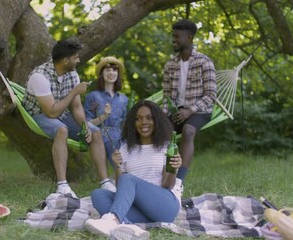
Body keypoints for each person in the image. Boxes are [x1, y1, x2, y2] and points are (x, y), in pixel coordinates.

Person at [22, 38, 116, 199]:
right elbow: (51, 112)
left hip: (62, 114)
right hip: (39, 114)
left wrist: (85, 126)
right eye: (75, 57)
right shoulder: (40, 77)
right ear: (65, 60)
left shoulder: (72, 74)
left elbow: (77, 108)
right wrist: (74, 92)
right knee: (61, 130)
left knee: (95, 132)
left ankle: (105, 182)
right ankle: (62, 185)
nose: (78, 60)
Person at [84, 100, 182, 239]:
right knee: (98, 195)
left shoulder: (167, 147)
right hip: (140, 210)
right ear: (132, 123)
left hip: (165, 206)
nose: (143, 122)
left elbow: (167, 185)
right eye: (138, 119)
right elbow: (121, 188)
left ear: (157, 121)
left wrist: (173, 170)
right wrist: (117, 166)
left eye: (149, 118)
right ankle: (130, 228)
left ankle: (113, 220)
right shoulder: (125, 149)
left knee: (127, 178)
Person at [162, 19, 216, 186]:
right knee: (160, 132)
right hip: (177, 111)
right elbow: (166, 97)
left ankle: (179, 181)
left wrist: (190, 111)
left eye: (177, 37)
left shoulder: (204, 62)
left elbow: (211, 95)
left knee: (188, 131)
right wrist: (162, 117)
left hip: (200, 111)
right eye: (173, 36)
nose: (174, 40)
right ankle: (161, 175)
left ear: (190, 38)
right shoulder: (170, 64)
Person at [83, 56, 128, 170]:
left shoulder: (124, 99)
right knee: (114, 144)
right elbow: (87, 123)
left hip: (122, 135)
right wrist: (104, 116)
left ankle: (117, 178)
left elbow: (127, 123)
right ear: (101, 74)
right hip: (102, 134)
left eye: (114, 70)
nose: (111, 73)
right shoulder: (92, 96)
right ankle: (120, 175)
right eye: (107, 70)